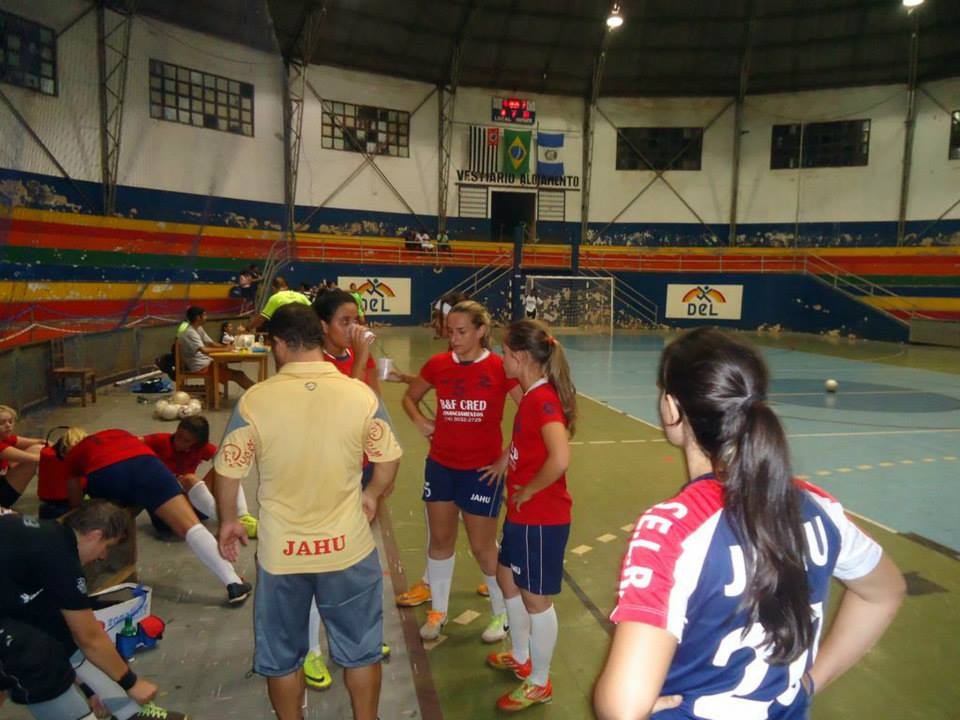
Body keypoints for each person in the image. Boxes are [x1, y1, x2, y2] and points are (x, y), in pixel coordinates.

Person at [593, 327, 906, 720]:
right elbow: (885, 591)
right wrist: (810, 682)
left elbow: (621, 708)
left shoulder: (672, 529)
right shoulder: (819, 509)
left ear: (672, 408)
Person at [213, 303, 402, 720]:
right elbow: (387, 459)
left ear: (278, 344)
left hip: (284, 557)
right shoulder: (359, 395)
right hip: (348, 550)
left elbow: (227, 471)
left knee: (282, 658)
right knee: (361, 652)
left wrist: (228, 521)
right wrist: (371, 494)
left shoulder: (255, 401)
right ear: (320, 338)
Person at [400, 300, 522, 644]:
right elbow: (410, 398)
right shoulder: (438, 364)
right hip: (440, 466)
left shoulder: (500, 368)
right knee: (439, 541)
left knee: (483, 547)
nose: (452, 338)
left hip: (481, 473)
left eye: (461, 331)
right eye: (449, 331)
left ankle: (502, 614)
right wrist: (421, 421)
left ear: (481, 331)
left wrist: (504, 458)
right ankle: (438, 611)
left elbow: (529, 413)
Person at [0, 500, 186, 720]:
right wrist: (132, 683)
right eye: (106, 547)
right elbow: (89, 637)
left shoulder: (42, 541)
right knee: (37, 660)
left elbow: (63, 632)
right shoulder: (59, 556)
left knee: (53, 624)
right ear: (95, 535)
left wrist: (92, 688)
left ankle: (129, 714)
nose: (102, 556)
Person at [483, 319, 577, 712]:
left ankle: (540, 681)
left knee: (536, 600)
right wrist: (508, 461)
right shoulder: (531, 393)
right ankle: (522, 657)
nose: (502, 358)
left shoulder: (542, 400)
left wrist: (532, 488)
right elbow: (526, 439)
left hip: (542, 517)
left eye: (505, 352)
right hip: (523, 514)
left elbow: (560, 456)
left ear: (519, 357)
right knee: (507, 576)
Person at [60, 427, 252, 605]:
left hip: (107, 474)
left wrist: (77, 510)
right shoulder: (117, 432)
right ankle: (233, 582)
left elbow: (74, 491)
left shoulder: (74, 455)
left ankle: (86, 578)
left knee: (104, 523)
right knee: (191, 526)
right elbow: (136, 453)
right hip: (148, 466)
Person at [303, 289, 388, 690]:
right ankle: (309, 652)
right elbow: (343, 409)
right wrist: (363, 362)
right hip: (325, 477)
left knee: (353, 562)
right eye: (345, 321)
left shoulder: (352, 358)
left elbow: (371, 406)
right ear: (323, 326)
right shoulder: (315, 365)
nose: (355, 328)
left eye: (358, 319)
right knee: (319, 566)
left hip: (360, 469)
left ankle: (352, 640)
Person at [141, 416, 258, 539]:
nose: (179, 442)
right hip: (168, 511)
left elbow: (227, 460)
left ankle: (243, 516)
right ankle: (228, 520)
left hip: (195, 506)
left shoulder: (200, 448)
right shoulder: (160, 440)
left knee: (225, 469)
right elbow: (133, 442)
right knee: (189, 479)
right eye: (178, 436)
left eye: (187, 441)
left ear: (196, 443)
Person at [180, 306, 254, 395]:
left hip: (206, 361)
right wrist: (226, 350)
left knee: (229, 368)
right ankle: (258, 393)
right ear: (198, 317)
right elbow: (204, 350)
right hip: (200, 366)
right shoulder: (190, 332)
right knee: (239, 375)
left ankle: (213, 395)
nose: (206, 317)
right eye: (204, 315)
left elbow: (211, 343)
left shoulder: (198, 328)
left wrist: (226, 347)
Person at [0, 404, 43, 508]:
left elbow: (40, 442)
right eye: (2, 423)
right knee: (35, 459)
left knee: (38, 448)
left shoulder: (5, 437)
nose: (8, 425)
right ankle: (55, 493)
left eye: (10, 421)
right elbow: (36, 458)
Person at [247, 276, 311, 334]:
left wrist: (248, 328)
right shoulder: (300, 296)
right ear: (287, 286)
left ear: (273, 288)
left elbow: (262, 318)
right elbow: (314, 311)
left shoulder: (275, 298)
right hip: (302, 332)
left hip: (285, 333)